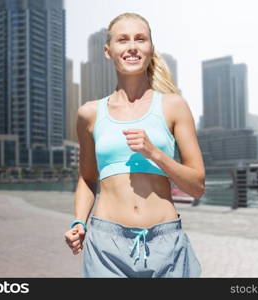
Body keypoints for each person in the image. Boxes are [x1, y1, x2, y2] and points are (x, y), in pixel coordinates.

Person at [63, 12, 205, 278]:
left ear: (151, 48)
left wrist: (155, 154)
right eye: (122, 40)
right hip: (107, 247)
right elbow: (87, 178)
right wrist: (79, 222)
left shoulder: (173, 106)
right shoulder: (89, 113)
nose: (132, 47)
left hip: (167, 246)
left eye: (140, 39)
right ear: (108, 51)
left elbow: (197, 186)